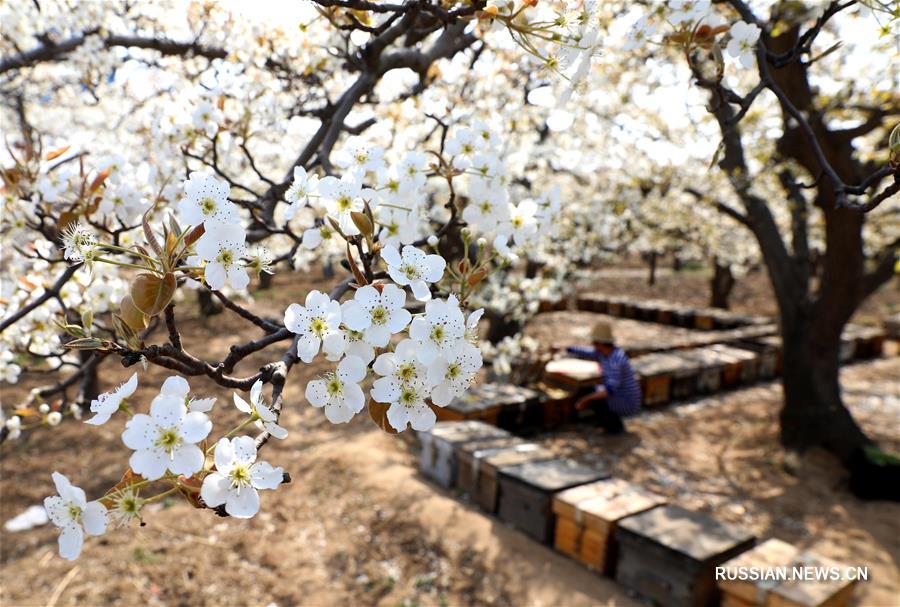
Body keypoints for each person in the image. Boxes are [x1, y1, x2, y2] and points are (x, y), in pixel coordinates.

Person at [565, 321, 641, 434]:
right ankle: (604, 421)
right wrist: (566, 349)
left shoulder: (615, 360)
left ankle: (614, 427)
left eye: (594, 342)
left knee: (594, 398)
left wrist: (585, 400)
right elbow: (586, 352)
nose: (592, 345)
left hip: (627, 401)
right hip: (619, 395)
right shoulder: (606, 353)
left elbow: (608, 391)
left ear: (600, 343)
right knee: (589, 392)